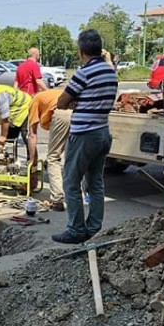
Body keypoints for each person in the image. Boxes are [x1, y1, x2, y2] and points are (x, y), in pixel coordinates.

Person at [52, 29, 118, 244]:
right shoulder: (110, 72)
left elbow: (62, 102)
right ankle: (94, 227)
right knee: (95, 182)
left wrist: (75, 102)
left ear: (81, 51)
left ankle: (76, 230)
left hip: (83, 135)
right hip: (102, 132)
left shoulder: (84, 72)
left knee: (71, 182)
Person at [27, 88, 71, 211]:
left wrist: (32, 160)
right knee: (72, 156)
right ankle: (76, 194)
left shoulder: (34, 101)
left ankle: (57, 200)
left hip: (62, 113)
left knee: (53, 158)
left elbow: (32, 134)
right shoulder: (50, 94)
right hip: (79, 113)